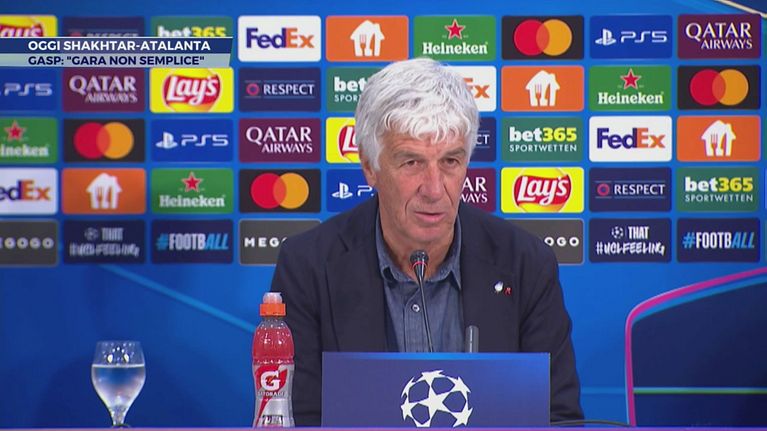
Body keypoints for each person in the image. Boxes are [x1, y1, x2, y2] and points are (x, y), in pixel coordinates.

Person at [270, 57, 583, 425]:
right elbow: (299, 420)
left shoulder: (525, 264)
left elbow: (558, 418)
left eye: (450, 161)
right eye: (412, 163)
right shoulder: (308, 267)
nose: (434, 190)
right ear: (370, 166)